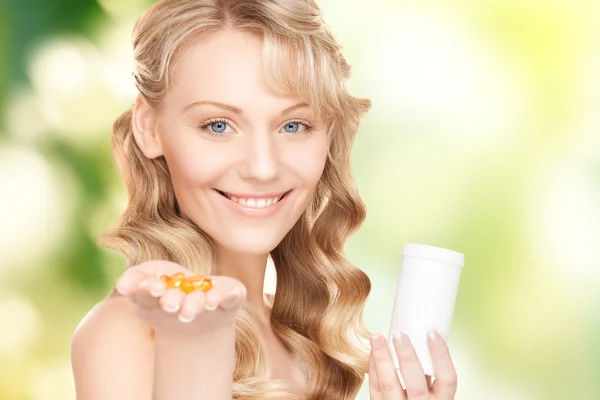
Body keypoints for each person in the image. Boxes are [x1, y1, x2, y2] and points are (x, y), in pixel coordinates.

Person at [70, 0, 458, 399]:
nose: (262, 167)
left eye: (293, 125)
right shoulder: (124, 333)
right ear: (149, 129)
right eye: (218, 125)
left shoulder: (305, 344)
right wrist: (195, 351)